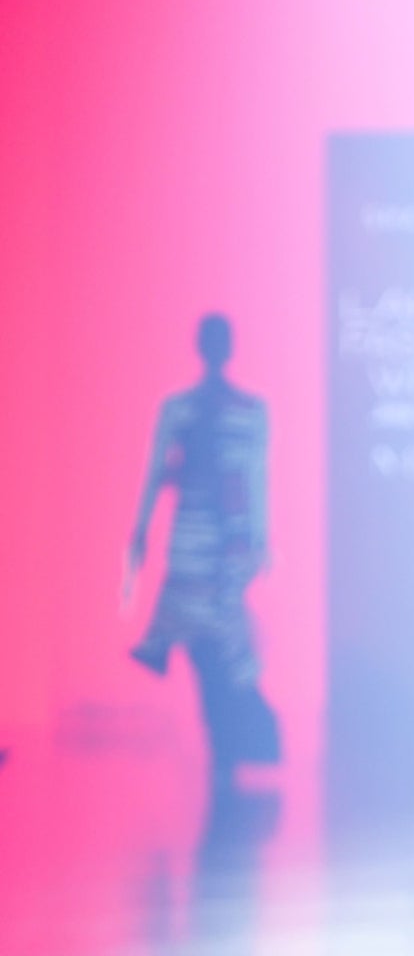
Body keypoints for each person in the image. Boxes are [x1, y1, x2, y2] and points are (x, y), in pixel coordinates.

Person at [124, 313, 280, 781]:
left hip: (215, 547)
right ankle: (226, 750)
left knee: (219, 648)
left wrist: (258, 539)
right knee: (213, 648)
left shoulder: (228, 411)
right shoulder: (195, 410)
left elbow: (253, 478)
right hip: (204, 545)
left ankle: (227, 749)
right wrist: (140, 532)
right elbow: (160, 471)